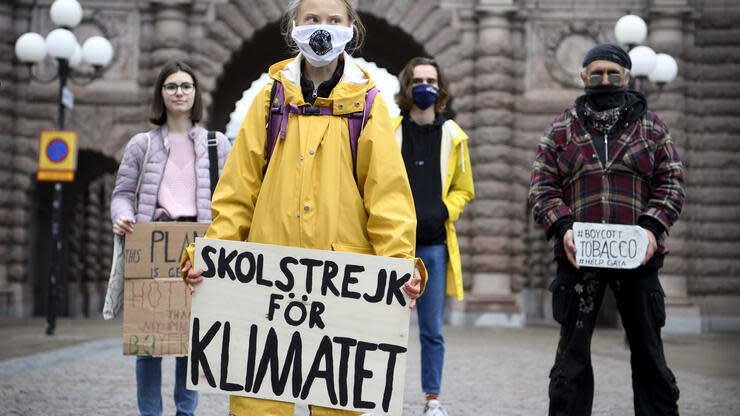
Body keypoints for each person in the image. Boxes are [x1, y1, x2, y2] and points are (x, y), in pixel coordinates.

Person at [179, 0, 425, 415]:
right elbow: (237, 193)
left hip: (343, 290)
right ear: (294, 26)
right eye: (312, 19)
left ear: (352, 28)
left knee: (337, 404)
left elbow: (388, 198)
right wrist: (212, 255)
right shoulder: (268, 101)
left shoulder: (369, 105)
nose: (322, 28)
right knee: (259, 405)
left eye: (334, 20)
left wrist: (397, 266)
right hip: (264, 286)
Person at [528, 43, 685, 416]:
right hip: (578, 257)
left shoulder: (652, 127)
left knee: (649, 356)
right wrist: (562, 226)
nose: (604, 80)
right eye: (596, 74)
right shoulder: (562, 128)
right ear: (583, 77)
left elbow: (672, 182)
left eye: (613, 74)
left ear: (627, 78)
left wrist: (651, 227)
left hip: (639, 257)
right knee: (571, 361)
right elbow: (541, 186)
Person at [110, 60, 232, 416]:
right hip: (152, 243)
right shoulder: (141, 144)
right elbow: (121, 193)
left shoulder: (217, 143)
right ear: (160, 95)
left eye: (186, 86)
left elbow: (230, 196)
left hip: (198, 247)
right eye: (171, 86)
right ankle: (150, 413)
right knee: (147, 342)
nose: (179, 92)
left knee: (189, 341)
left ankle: (185, 411)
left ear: (196, 94)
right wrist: (122, 216)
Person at [392, 57, 474, 416]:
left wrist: (445, 211)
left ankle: (432, 398)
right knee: (385, 326)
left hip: (434, 246)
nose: (425, 86)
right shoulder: (389, 131)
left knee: (431, 329)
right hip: (392, 246)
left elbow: (464, 189)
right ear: (407, 87)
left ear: (440, 89)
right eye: (418, 80)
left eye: (431, 80)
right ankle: (380, 393)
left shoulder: (455, 136)